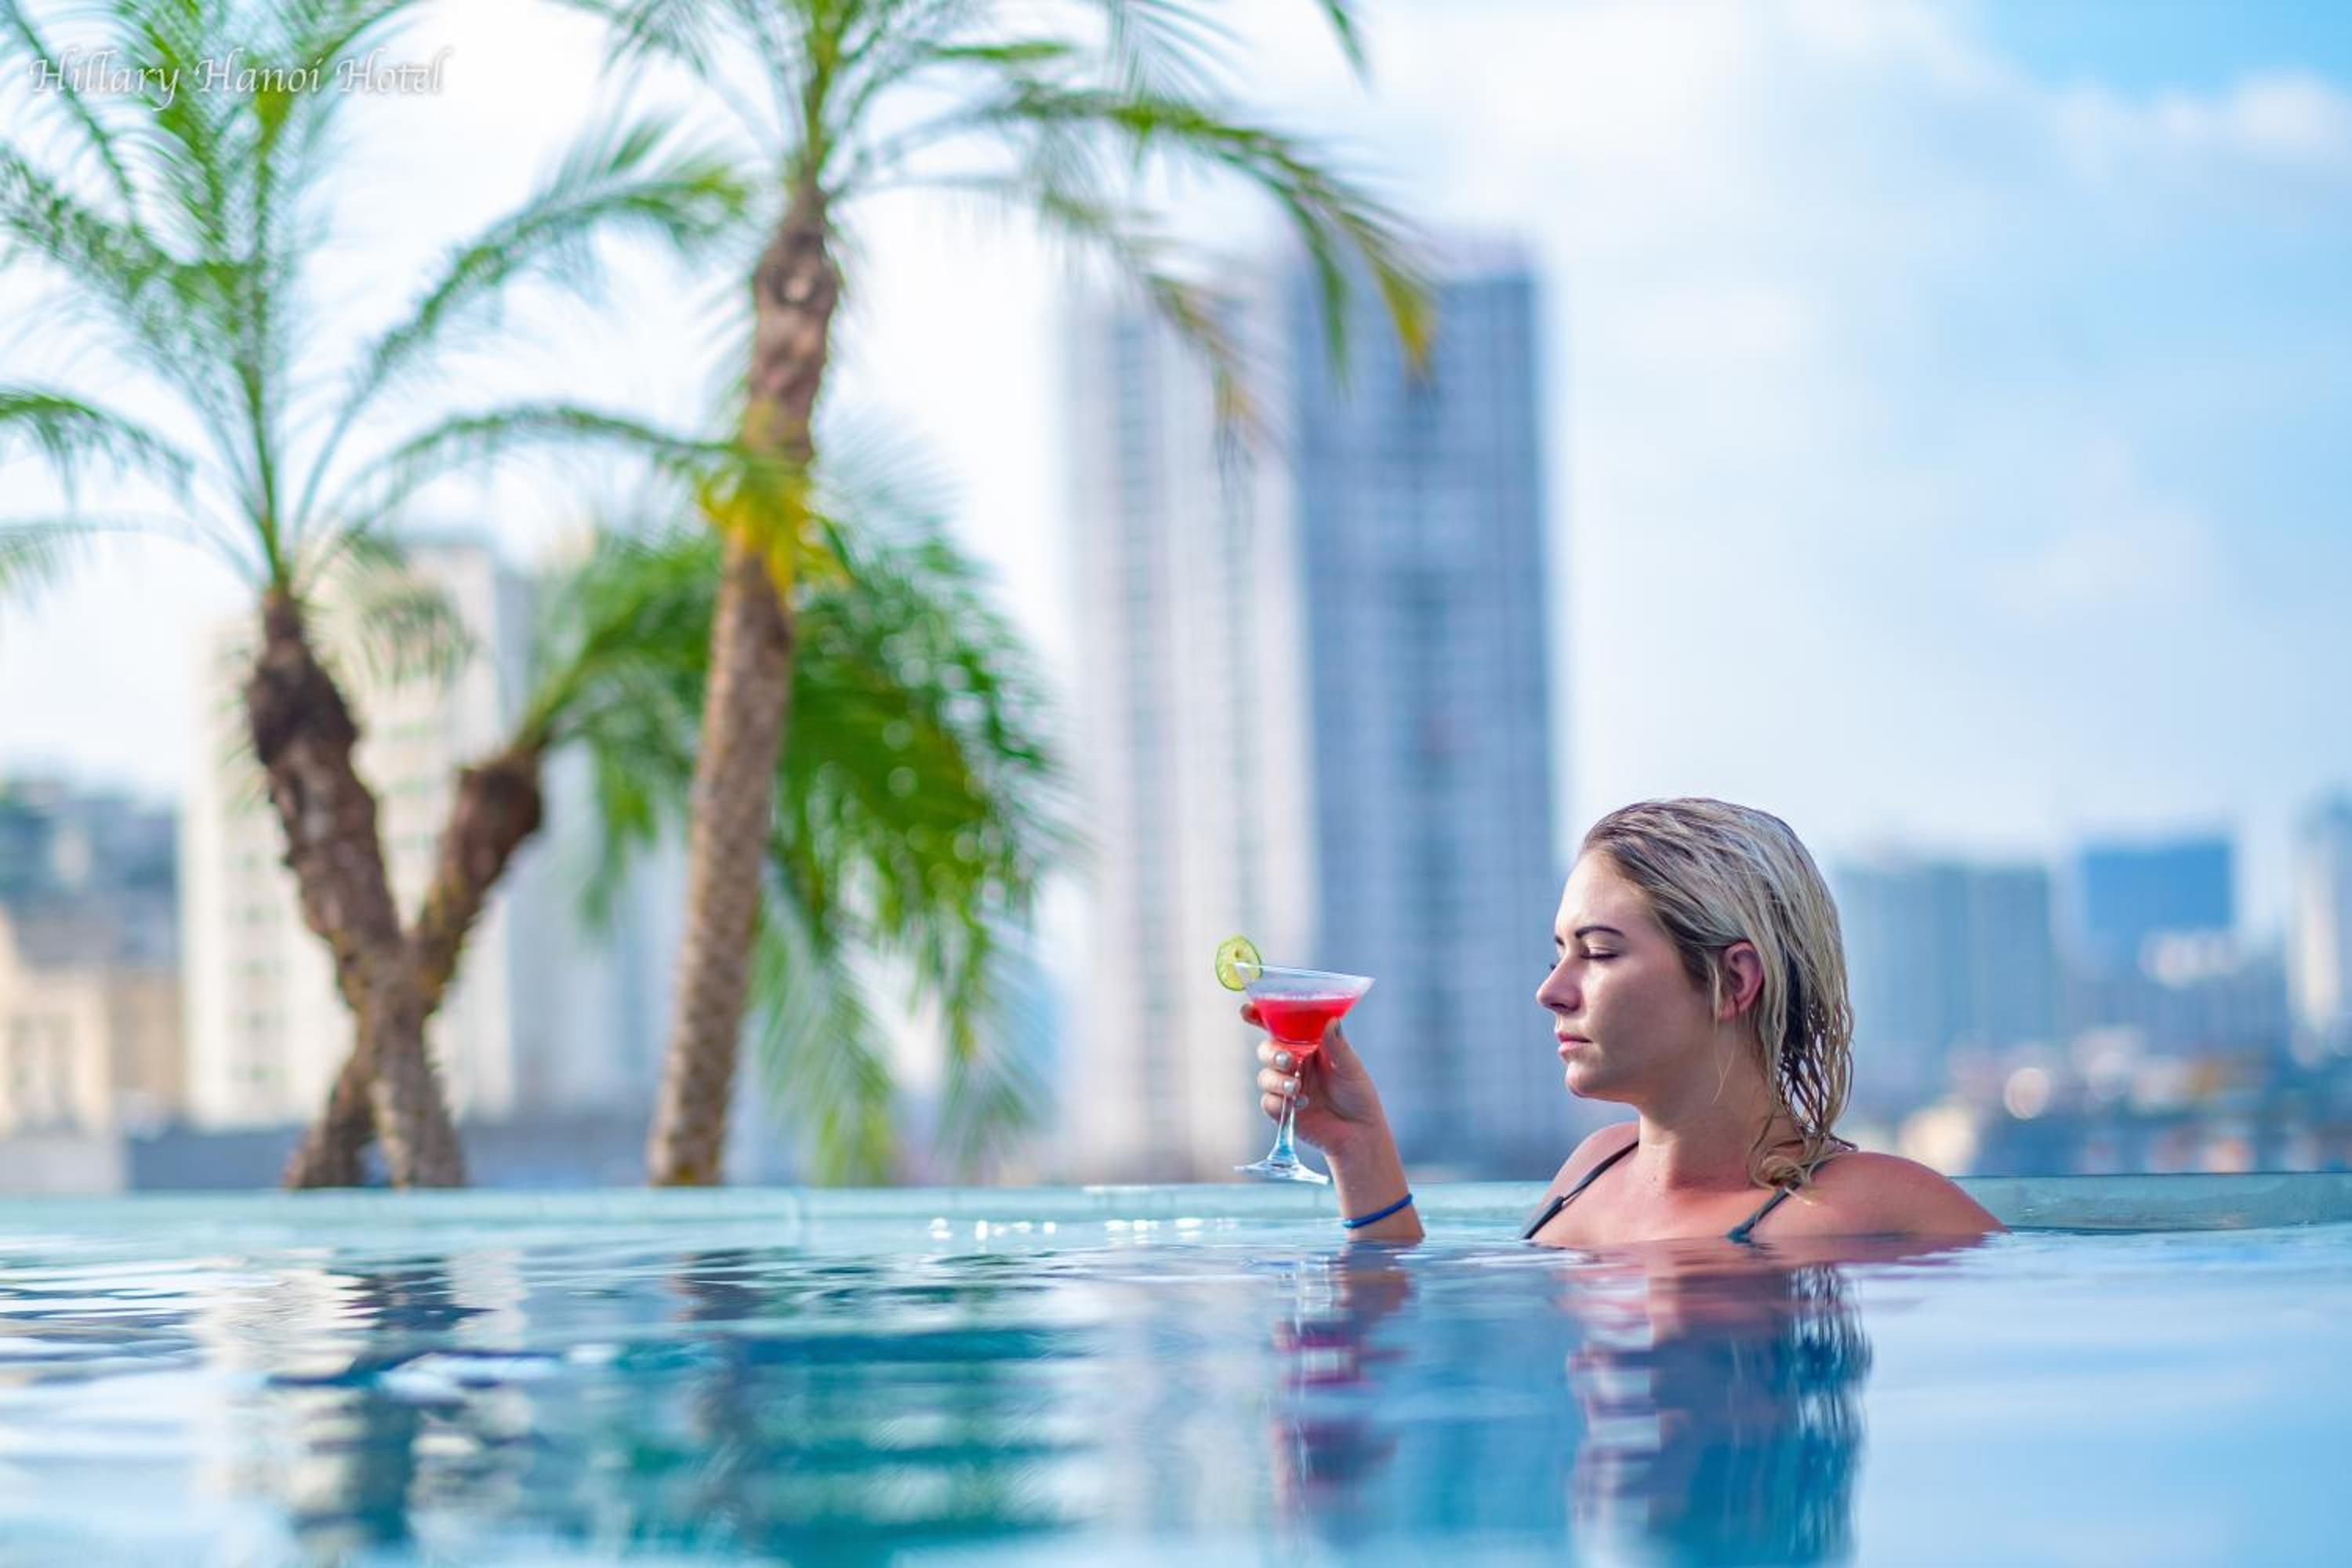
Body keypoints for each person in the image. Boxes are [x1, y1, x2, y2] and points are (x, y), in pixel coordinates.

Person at [1247, 797, 2004, 1246]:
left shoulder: (1881, 1207)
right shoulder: (1592, 1170)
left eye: (1600, 953)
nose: (1551, 992)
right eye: (1558, 954)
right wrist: (1358, 1148)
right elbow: (1421, 1343)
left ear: (1734, 981)